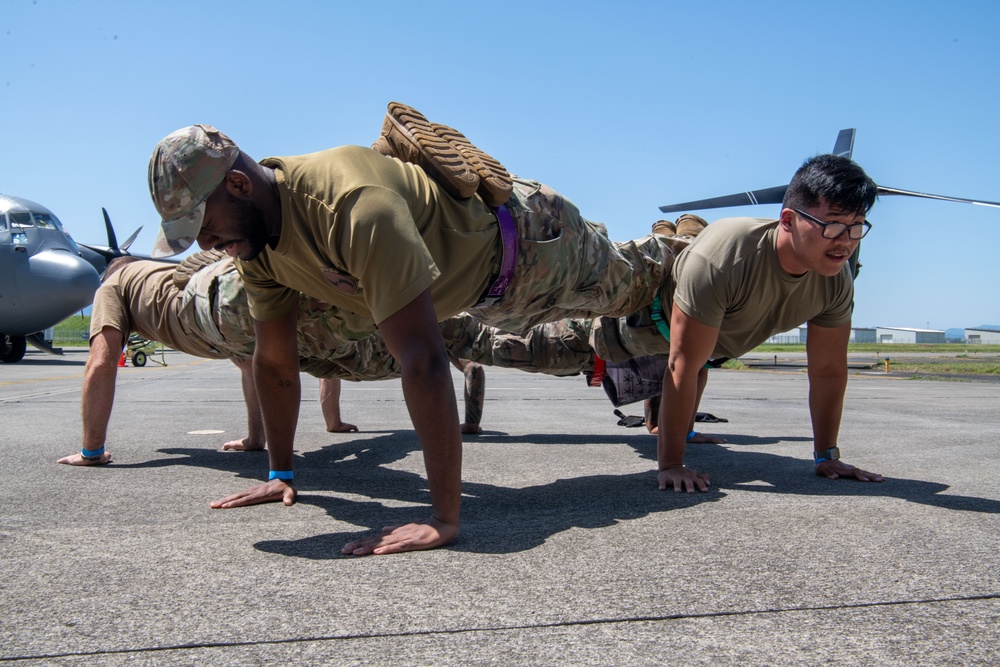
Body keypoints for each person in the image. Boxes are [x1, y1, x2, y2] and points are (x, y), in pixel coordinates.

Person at [147, 103, 676, 555]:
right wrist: (280, 474)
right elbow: (277, 362)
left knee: (641, 288)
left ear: (238, 185)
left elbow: (421, 360)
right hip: (485, 296)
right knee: (619, 326)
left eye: (205, 227)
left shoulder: (352, 208)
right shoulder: (258, 248)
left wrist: (443, 518)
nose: (204, 247)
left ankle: (683, 247)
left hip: (536, 243)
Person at [590, 154, 886, 493]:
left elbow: (828, 370)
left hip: (690, 347)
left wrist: (826, 456)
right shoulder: (727, 256)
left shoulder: (834, 278)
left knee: (699, 364)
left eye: (857, 226)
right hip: (627, 329)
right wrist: (671, 465)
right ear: (788, 219)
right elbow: (682, 365)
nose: (846, 240)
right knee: (528, 347)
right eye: (833, 224)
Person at [57, 254, 487, 467]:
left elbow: (101, 361)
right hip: (230, 298)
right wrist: (254, 439)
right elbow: (251, 363)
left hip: (212, 303)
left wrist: (91, 451)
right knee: (349, 297)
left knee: (348, 313)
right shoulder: (150, 279)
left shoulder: (113, 285)